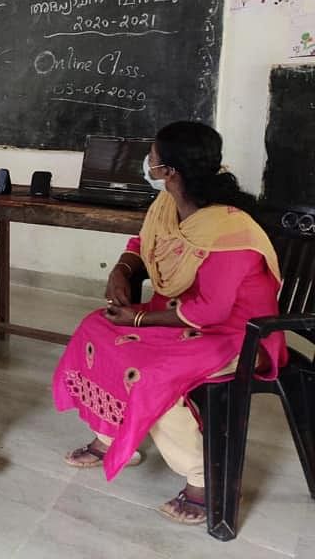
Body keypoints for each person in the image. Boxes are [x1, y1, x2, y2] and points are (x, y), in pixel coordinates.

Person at [53, 122, 286, 525]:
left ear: (170, 170)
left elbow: (211, 311)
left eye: (153, 156)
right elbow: (142, 244)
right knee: (97, 327)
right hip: (178, 318)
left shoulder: (229, 227)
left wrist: (140, 317)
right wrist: (122, 271)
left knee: (150, 373)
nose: (148, 162)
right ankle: (112, 434)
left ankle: (202, 478)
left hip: (237, 336)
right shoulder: (168, 205)